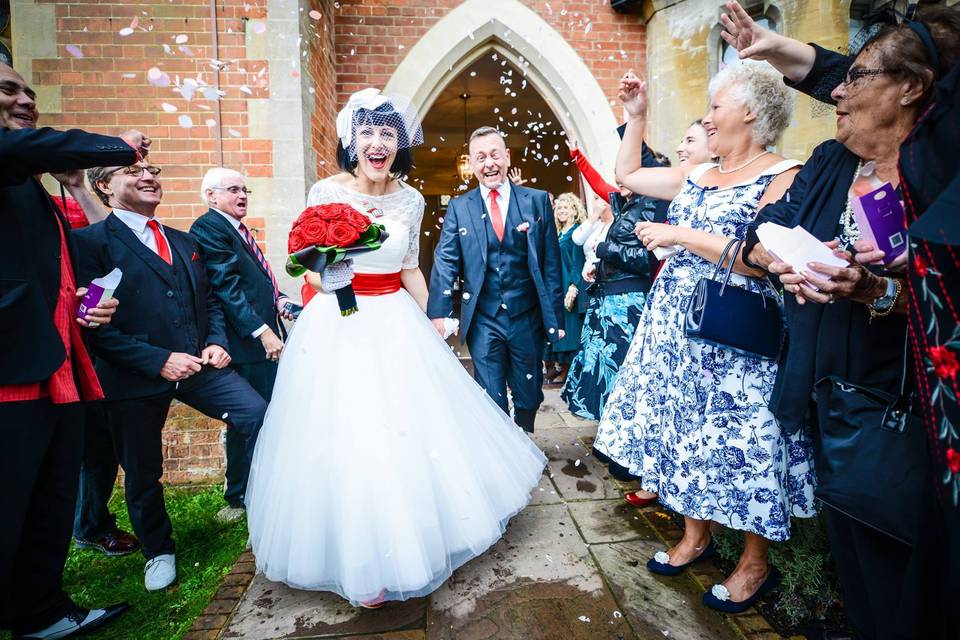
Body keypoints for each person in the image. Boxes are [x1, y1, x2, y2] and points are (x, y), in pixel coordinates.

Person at [244, 89, 546, 608]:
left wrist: (437, 318)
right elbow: (306, 264)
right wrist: (325, 270)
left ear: (400, 145)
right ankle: (360, 559)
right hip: (339, 324)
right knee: (350, 430)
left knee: (408, 425)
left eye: (389, 134)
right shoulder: (324, 193)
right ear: (351, 142)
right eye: (368, 133)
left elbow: (409, 268)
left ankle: (420, 538)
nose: (378, 144)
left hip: (396, 320)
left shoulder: (411, 199)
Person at [724, 2, 960, 636]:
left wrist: (873, 290)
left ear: (912, 89)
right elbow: (758, 235)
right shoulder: (831, 160)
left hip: (906, 397)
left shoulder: (939, 176)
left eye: (855, 78)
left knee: (903, 554)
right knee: (849, 535)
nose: (837, 90)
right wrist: (779, 261)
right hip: (821, 383)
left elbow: (944, 298)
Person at [600, 63, 815, 614]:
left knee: (745, 441)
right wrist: (636, 116)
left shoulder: (783, 175)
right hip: (676, 330)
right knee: (687, 432)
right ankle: (695, 537)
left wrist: (679, 235)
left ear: (750, 112)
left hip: (737, 336)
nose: (708, 117)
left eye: (716, 107)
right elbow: (627, 176)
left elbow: (761, 263)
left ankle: (754, 562)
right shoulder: (698, 172)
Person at [73, 160, 268, 593]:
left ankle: (264, 505)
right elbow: (92, 327)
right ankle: (158, 550)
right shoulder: (88, 242)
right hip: (133, 375)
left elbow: (211, 300)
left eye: (151, 169)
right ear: (104, 185)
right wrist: (157, 360)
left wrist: (216, 340)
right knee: (142, 471)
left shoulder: (183, 240)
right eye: (131, 170)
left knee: (258, 415)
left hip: (200, 366)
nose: (148, 176)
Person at [0, 62, 133, 640]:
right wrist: (117, 148)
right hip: (8, 372)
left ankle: (41, 613)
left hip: (57, 366)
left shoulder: (30, 184)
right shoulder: (15, 161)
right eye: (9, 89)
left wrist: (82, 301)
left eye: (30, 90)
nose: (26, 99)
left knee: (48, 502)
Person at [427, 125, 564, 432]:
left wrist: (556, 319)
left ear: (507, 156)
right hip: (484, 317)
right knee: (491, 394)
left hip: (526, 315)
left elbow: (551, 264)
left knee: (529, 392)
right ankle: (507, 451)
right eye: (480, 157)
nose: (488, 163)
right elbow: (446, 259)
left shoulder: (536, 201)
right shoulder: (460, 208)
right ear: (472, 164)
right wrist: (439, 311)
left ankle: (525, 432)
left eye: (494, 155)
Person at [189, 168, 294, 522]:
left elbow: (254, 281)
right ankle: (239, 495)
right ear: (211, 196)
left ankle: (258, 485)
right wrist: (263, 332)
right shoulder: (209, 228)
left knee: (263, 414)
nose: (242, 195)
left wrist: (279, 300)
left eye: (244, 189)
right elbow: (226, 288)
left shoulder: (237, 229)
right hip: (245, 344)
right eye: (232, 189)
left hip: (261, 334)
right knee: (248, 418)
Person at [542, 193, 587, 384]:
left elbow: (578, 261)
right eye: (559, 208)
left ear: (574, 210)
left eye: (566, 208)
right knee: (561, 329)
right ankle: (563, 369)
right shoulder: (558, 232)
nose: (561, 211)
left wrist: (574, 286)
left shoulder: (576, 232)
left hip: (570, 285)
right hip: (557, 285)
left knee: (571, 330)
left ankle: (571, 371)